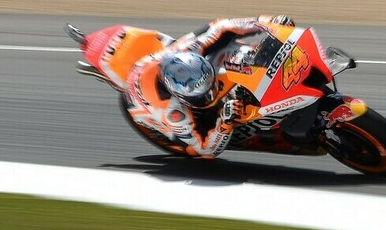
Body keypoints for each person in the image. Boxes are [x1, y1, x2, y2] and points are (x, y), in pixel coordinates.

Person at [123, 15, 295, 158]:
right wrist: (225, 124)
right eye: (204, 94)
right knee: (192, 151)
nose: (211, 93)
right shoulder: (172, 111)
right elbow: (204, 150)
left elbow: (222, 26)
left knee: (237, 51)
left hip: (162, 61)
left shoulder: (191, 50)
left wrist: (268, 23)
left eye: (209, 85)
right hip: (143, 95)